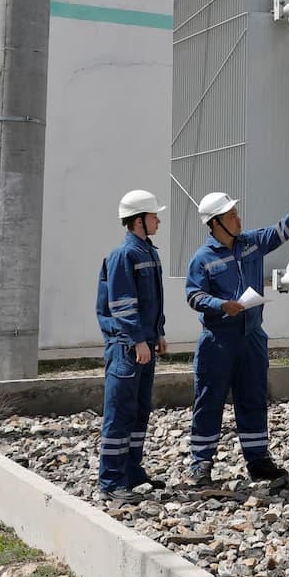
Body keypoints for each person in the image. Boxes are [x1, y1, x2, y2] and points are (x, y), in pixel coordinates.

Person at [185, 182, 289, 483]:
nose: (238, 219)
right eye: (231, 216)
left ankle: (258, 460)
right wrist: (221, 305)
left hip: (251, 337)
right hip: (219, 341)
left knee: (253, 397)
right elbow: (193, 296)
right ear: (215, 224)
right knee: (209, 399)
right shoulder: (202, 259)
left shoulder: (250, 243)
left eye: (236, 213)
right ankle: (201, 464)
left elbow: (281, 230)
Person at [95, 189, 169, 503]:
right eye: (153, 216)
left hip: (144, 344)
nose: (158, 220)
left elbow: (152, 300)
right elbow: (123, 305)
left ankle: (132, 472)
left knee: (139, 411)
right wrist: (139, 340)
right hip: (127, 347)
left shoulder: (147, 252)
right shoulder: (124, 255)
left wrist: (158, 333)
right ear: (138, 220)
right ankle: (111, 482)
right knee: (120, 413)